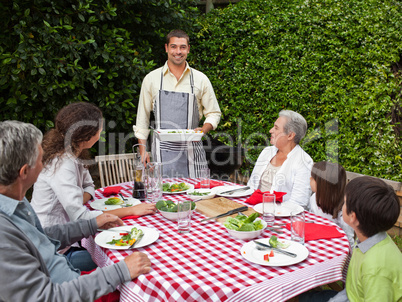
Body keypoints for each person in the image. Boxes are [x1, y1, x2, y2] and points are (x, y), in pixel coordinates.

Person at [0, 120, 152, 301]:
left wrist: (91, 224)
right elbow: (46, 297)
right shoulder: (4, 236)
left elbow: (43, 237)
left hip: (70, 276)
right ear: (24, 172)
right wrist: (120, 271)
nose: (45, 164)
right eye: (41, 160)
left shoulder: (14, 200)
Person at [31, 102, 156, 271]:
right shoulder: (63, 163)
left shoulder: (75, 154)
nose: (101, 132)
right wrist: (131, 210)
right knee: (128, 257)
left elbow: (90, 186)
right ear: (86, 135)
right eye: (99, 129)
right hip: (52, 251)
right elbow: (81, 217)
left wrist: (76, 199)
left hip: (69, 239)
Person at [134, 29, 221, 178]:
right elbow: (142, 119)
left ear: (188, 49)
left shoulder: (201, 79)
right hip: (162, 154)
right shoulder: (151, 79)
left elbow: (214, 113)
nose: (178, 51)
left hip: (192, 151)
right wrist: (143, 150)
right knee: (163, 197)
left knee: (196, 197)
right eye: (174, 47)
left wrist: (203, 130)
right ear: (166, 48)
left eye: (182, 47)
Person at [300, 176, 401, 302]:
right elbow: (351, 290)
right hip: (350, 296)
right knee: (300, 296)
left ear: (352, 217)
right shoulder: (369, 241)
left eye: (345, 201)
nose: (342, 204)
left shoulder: (376, 270)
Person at [247, 110, 313, 208]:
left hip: (278, 216)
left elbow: (298, 203)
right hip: (252, 207)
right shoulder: (267, 152)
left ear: (290, 135)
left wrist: (269, 210)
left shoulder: (304, 161)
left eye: (276, 128)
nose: (271, 130)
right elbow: (251, 186)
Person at [309, 161, 355, 247]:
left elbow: (349, 241)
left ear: (323, 185)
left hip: (335, 248)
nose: (310, 179)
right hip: (317, 243)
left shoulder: (344, 211)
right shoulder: (314, 198)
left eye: (313, 178)